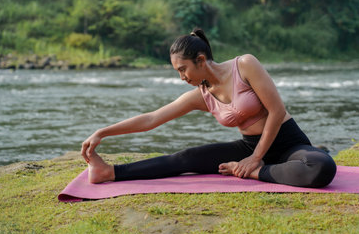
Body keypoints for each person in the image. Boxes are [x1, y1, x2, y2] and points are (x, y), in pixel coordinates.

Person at [81, 28, 336, 188]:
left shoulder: (245, 65)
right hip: (248, 147)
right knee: (185, 158)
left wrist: (254, 162)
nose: (181, 77)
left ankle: (259, 173)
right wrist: (102, 132)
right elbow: (152, 119)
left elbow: (277, 111)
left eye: (183, 69)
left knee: (321, 166)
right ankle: (109, 172)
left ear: (200, 60)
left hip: (288, 143)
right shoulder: (201, 96)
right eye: (177, 72)